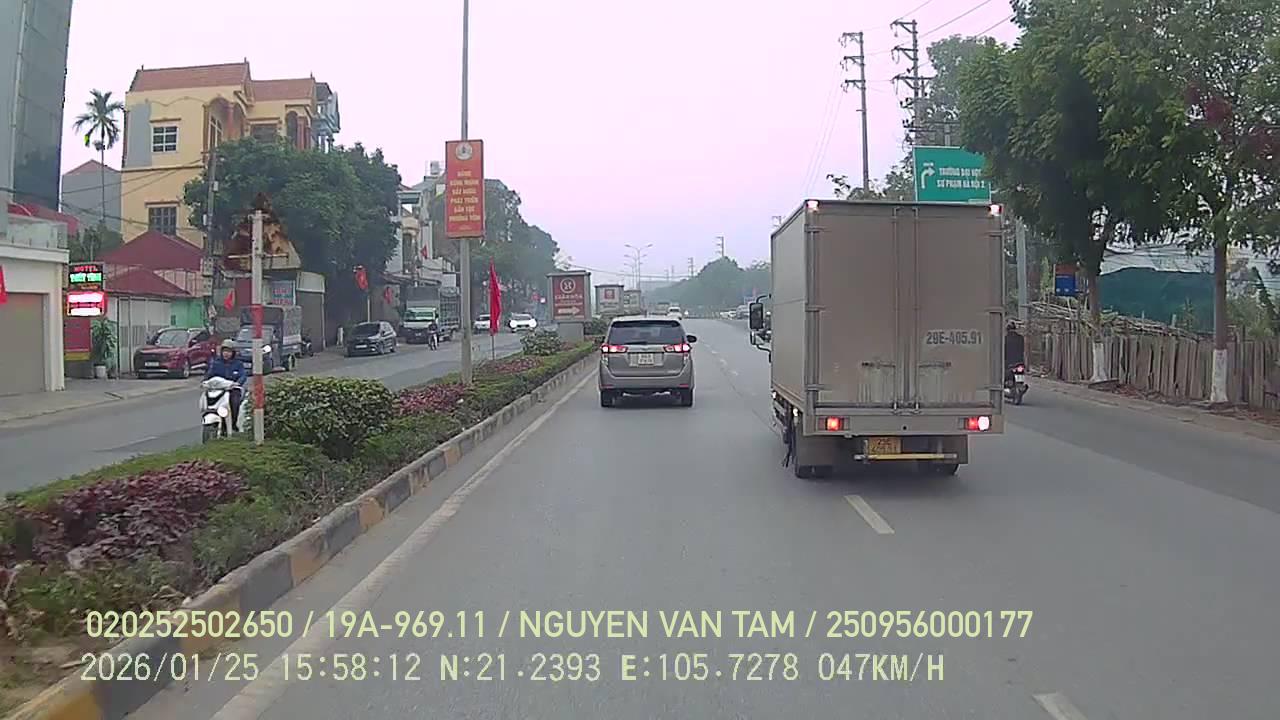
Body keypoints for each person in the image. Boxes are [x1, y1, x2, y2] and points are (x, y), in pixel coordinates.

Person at [205, 339, 247, 427]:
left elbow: (243, 375)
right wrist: (205, 381)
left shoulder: (238, 364)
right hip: (219, 389)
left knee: (234, 402)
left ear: (233, 353)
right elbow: (209, 374)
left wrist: (237, 383)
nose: (226, 353)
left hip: (233, 390)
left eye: (229, 351)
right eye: (224, 351)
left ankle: (233, 423)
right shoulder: (216, 363)